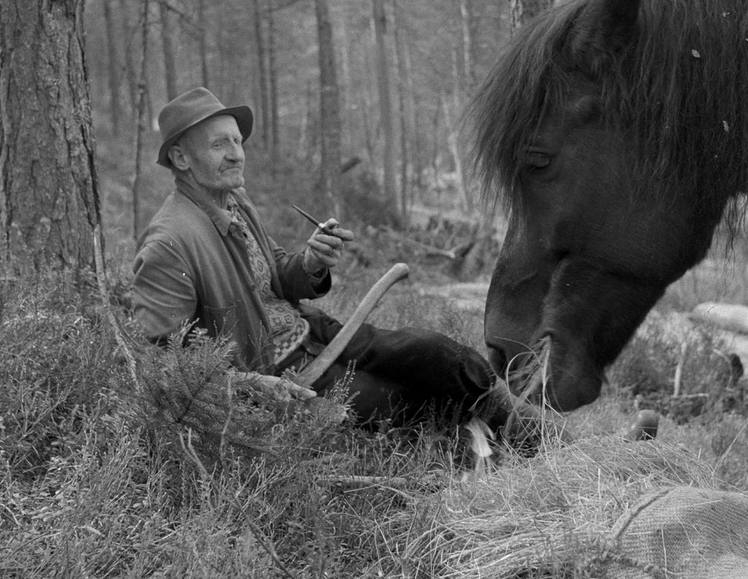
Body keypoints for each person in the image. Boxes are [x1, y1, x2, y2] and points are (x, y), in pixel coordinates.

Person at [132, 87, 512, 430]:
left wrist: (312, 261)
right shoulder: (169, 243)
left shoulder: (235, 199)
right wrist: (252, 386)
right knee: (398, 401)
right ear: (181, 158)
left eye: (237, 141)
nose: (236, 154)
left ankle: (528, 430)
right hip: (283, 376)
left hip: (315, 332)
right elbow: (165, 367)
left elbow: (276, 276)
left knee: (434, 352)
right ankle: (490, 446)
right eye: (219, 145)